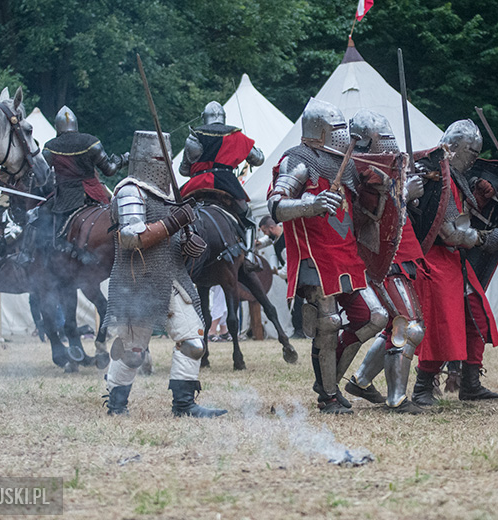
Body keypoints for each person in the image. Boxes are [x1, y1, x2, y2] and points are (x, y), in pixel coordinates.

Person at [267, 98, 388, 414]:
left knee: (375, 317)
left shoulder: (345, 164)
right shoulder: (297, 160)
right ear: (320, 131)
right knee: (329, 323)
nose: (340, 134)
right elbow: (276, 207)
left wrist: (382, 190)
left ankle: (328, 378)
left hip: (347, 257)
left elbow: (361, 214)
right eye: (335, 129)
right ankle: (329, 396)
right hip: (315, 258)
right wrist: (312, 203)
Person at [102, 130, 226, 417]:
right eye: (161, 159)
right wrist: (173, 223)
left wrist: (186, 242)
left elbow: (170, 237)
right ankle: (116, 405)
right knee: (133, 353)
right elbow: (131, 238)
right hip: (138, 281)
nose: (165, 165)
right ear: (146, 160)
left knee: (193, 343)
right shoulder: (130, 190)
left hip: (172, 278)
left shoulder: (168, 195)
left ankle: (184, 405)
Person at [411, 119, 498, 406]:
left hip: (454, 261)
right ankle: (422, 387)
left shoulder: (454, 177)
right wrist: (484, 239)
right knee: (441, 324)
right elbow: (451, 232)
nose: (474, 159)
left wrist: (481, 196)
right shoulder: (436, 178)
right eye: (471, 152)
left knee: (476, 317)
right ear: (453, 148)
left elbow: (461, 216)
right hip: (435, 260)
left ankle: (471, 383)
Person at [342, 109, 426, 414]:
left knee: (397, 324)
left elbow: (396, 214)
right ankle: (397, 399)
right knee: (409, 326)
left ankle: (362, 381)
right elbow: (367, 216)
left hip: (399, 253)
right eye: (383, 140)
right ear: (365, 141)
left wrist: (409, 196)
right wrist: (403, 193)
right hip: (379, 257)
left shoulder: (386, 169)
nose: (389, 146)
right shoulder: (357, 171)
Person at [10, 106, 127, 268]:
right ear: (75, 125)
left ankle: (26, 254)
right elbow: (109, 170)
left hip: (67, 197)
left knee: (35, 216)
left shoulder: (51, 146)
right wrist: (122, 160)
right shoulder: (91, 141)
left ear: (58, 127)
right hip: (96, 192)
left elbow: (41, 176)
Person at [179, 101, 264, 269]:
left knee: (175, 216)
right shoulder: (237, 135)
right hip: (226, 183)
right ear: (223, 118)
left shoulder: (195, 135)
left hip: (196, 183)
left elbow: (183, 170)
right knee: (247, 216)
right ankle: (249, 256)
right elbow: (259, 159)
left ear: (204, 117)